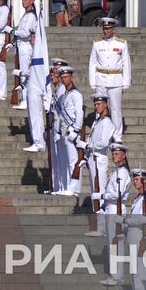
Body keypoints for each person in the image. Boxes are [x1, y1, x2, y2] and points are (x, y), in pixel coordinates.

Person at [78, 92, 118, 236]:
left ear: (106, 104)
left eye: (99, 104)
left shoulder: (107, 122)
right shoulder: (97, 121)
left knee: (99, 191)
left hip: (99, 158)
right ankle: (99, 225)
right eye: (95, 104)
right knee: (94, 192)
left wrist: (88, 146)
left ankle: (102, 227)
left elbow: (103, 143)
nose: (96, 106)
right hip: (92, 158)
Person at [94, 142, 131, 285]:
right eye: (113, 154)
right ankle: (114, 274)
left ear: (124, 155)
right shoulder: (116, 171)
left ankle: (117, 276)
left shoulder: (122, 172)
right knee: (112, 243)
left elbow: (118, 194)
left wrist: (102, 196)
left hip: (116, 208)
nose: (113, 156)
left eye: (116, 154)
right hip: (110, 208)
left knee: (115, 243)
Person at [14, 0, 46, 150]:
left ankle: (39, 142)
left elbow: (26, 33)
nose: (23, 2)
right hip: (22, 46)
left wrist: (14, 31)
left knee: (35, 114)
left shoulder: (32, 17)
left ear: (32, 1)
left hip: (26, 48)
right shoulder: (26, 15)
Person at [88, 17, 131, 132]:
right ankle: (99, 131)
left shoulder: (121, 44)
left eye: (107, 28)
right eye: (104, 28)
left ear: (113, 29)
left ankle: (117, 134)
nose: (105, 31)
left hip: (115, 80)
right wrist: (92, 81)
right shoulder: (97, 44)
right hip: (100, 79)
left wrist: (126, 82)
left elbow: (126, 64)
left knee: (115, 109)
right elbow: (92, 63)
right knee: (99, 107)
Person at [49, 65, 83, 196]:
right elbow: (60, 114)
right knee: (65, 160)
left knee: (73, 161)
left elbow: (79, 113)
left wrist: (76, 129)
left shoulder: (76, 94)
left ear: (71, 77)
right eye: (62, 77)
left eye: (66, 77)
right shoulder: (65, 95)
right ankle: (67, 186)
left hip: (72, 130)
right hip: (64, 130)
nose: (64, 79)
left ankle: (75, 189)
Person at [125, 169, 146, 290]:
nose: (134, 182)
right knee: (134, 267)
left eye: (137, 179)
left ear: (145, 181)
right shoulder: (138, 198)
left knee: (139, 268)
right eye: (134, 179)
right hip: (133, 235)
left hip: (140, 235)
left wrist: (127, 220)